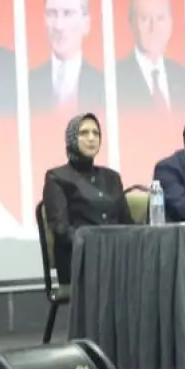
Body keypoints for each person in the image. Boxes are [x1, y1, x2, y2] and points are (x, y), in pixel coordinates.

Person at [41, 113, 132, 284]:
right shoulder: (57, 177)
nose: (91, 138)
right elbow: (61, 229)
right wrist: (99, 248)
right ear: (71, 139)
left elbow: (127, 223)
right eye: (84, 133)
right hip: (80, 261)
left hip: (117, 258)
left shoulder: (112, 177)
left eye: (96, 133)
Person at [28, 0, 106, 114]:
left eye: (68, 13)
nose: (58, 26)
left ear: (86, 23)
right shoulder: (27, 83)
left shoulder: (104, 84)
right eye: (52, 14)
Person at [115, 0, 185, 113]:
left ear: (170, 23)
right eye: (144, 18)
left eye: (160, 18)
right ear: (131, 23)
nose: (153, 27)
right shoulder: (115, 78)